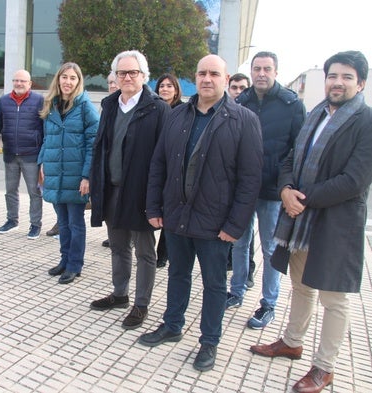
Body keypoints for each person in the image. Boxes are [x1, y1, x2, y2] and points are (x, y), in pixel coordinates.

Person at [250, 50, 372, 393]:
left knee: (334, 300)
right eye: (333, 76)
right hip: (300, 222)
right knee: (301, 287)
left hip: (335, 224)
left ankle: (325, 367)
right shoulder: (316, 113)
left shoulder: (366, 121)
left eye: (347, 77)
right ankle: (292, 342)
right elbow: (291, 155)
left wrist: (300, 199)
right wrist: (286, 187)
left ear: (360, 83)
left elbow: (355, 180)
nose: (338, 82)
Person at [138, 55, 262, 372]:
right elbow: (159, 164)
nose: (207, 79)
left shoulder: (244, 120)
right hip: (177, 217)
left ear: (226, 78)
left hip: (216, 224)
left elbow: (250, 180)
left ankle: (209, 342)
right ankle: (172, 324)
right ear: (195, 77)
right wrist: (154, 206)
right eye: (202, 73)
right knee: (177, 274)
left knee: (214, 285)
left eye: (214, 73)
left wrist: (235, 225)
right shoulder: (177, 115)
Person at [89, 50, 170, 330]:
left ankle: (141, 304)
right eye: (121, 73)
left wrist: (157, 200)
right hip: (112, 190)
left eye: (132, 72)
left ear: (144, 76)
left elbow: (165, 158)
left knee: (145, 253)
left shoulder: (158, 108)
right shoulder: (110, 105)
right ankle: (120, 294)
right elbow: (101, 146)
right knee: (118, 247)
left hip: (141, 195)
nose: (126, 77)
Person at [227, 52, 306, 328]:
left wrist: (288, 185)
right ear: (251, 71)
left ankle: (268, 304)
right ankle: (236, 291)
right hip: (242, 188)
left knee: (271, 248)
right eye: (257, 68)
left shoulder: (292, 105)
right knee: (239, 242)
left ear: (275, 71)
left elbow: (299, 150)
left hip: (274, 191)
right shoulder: (241, 101)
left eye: (267, 69)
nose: (261, 73)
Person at [41, 62, 99, 284]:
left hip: (76, 176)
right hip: (56, 172)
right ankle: (64, 260)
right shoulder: (51, 105)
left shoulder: (85, 107)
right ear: (58, 79)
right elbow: (47, 140)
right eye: (64, 77)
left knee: (75, 223)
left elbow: (93, 144)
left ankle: (75, 265)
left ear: (78, 81)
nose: (67, 81)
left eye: (72, 78)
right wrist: (42, 163)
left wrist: (87, 176)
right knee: (62, 223)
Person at [0, 70, 44, 240]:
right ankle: (11, 220)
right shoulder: (3, 101)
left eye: (22, 81)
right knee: (10, 190)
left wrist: (43, 155)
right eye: (16, 80)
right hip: (10, 154)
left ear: (30, 83)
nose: (19, 83)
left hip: (31, 155)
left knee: (34, 192)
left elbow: (44, 127)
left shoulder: (39, 100)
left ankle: (35, 224)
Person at [226, 72, 256, 288]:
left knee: (246, 236)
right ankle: (236, 276)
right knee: (237, 241)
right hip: (227, 186)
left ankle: (248, 273)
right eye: (234, 87)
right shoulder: (223, 113)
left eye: (242, 88)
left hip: (259, 187)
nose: (238, 91)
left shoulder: (249, 116)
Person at [153, 73, 183, 268]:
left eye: (169, 86)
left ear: (176, 90)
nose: (164, 89)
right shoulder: (153, 108)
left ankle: (163, 253)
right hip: (155, 166)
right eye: (161, 85)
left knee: (169, 212)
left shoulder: (182, 111)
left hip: (173, 169)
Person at [100, 70, 119, 248]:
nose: (112, 85)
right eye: (109, 83)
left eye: (115, 82)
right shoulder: (106, 106)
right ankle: (112, 236)